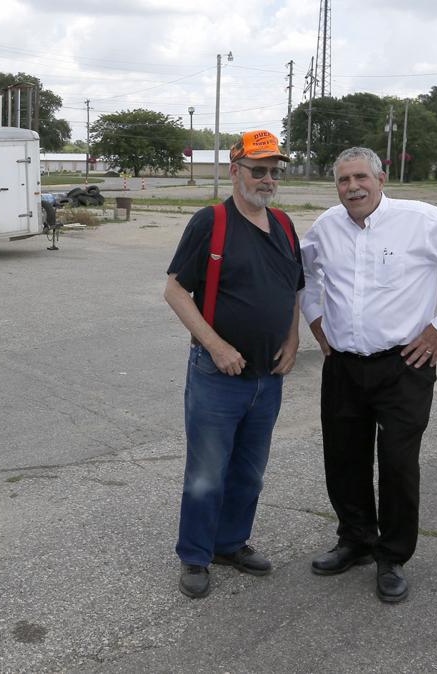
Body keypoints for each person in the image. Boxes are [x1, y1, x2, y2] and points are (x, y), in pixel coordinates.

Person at [300, 147, 437, 603]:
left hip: (404, 366)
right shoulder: (326, 227)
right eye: (344, 180)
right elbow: (304, 275)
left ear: (381, 179)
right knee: (344, 459)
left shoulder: (421, 220)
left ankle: (392, 555)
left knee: (397, 463)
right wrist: (316, 324)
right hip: (344, 367)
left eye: (361, 177)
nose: (353, 187)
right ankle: (356, 540)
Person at [164, 130, 304, 599]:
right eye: (257, 169)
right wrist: (216, 345)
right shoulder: (212, 222)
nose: (267, 179)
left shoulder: (284, 226)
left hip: (269, 377)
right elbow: (175, 291)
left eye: (273, 171)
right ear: (235, 171)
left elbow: (293, 290)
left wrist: (293, 336)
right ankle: (196, 555)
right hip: (216, 376)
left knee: (250, 471)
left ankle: (230, 543)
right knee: (207, 471)